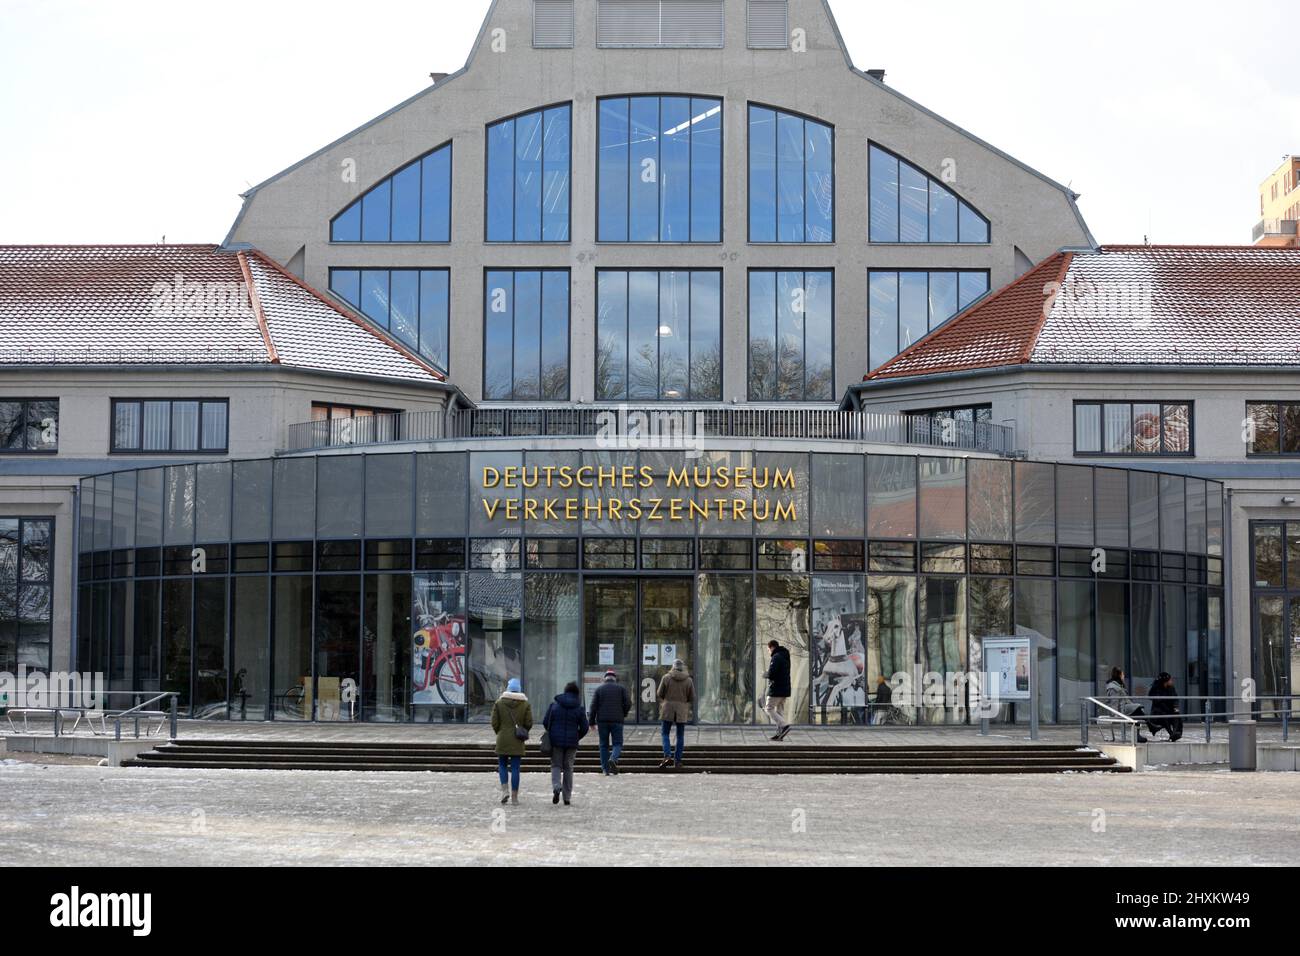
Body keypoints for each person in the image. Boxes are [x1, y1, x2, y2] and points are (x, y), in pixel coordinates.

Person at [543, 681, 589, 806]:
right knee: (568, 768)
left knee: (556, 765)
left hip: (556, 741)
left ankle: (557, 786)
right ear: (576, 693)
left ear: (565, 691)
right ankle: (567, 797)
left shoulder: (554, 705)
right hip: (572, 743)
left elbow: (545, 721)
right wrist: (577, 736)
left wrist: (553, 733)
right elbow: (585, 727)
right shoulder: (579, 708)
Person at [490, 677, 532, 806]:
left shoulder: (499, 703)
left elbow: (494, 722)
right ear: (519, 690)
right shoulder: (525, 704)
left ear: (508, 689)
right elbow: (529, 723)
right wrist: (522, 730)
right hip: (517, 740)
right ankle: (514, 796)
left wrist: (500, 732)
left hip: (502, 738)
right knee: (515, 768)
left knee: (502, 765)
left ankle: (504, 791)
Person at [588, 669, 631, 775]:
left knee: (603, 745)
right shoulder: (621, 688)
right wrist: (623, 713)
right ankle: (613, 758)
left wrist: (591, 722)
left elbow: (593, 707)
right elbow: (628, 703)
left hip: (602, 721)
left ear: (605, 679)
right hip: (617, 720)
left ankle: (605, 769)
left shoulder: (599, 689)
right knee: (618, 743)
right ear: (614, 679)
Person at [657, 659, 696, 769]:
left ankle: (667, 755)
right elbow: (692, 697)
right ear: (682, 667)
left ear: (673, 667)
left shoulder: (666, 677)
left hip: (667, 708)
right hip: (682, 709)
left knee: (665, 733)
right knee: (680, 736)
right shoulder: (688, 680)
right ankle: (677, 761)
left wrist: (667, 699)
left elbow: (660, 693)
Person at [1103, 666, 1148, 743]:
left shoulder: (1118, 685)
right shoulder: (1113, 687)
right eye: (1123, 674)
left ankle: (1141, 733)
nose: (1124, 676)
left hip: (1123, 708)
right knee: (1138, 710)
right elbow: (1114, 702)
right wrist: (1116, 714)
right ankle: (1150, 726)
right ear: (1119, 675)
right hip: (1119, 711)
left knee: (1138, 711)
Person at [764, 640, 792, 741]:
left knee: (768, 708)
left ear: (772, 647)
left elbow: (772, 674)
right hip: (785, 689)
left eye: (768, 649)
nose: (768, 652)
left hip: (777, 689)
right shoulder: (785, 656)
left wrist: (766, 674)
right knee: (779, 712)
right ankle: (779, 735)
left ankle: (784, 725)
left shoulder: (776, 657)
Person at [1147, 672, 1183, 741]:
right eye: (1170, 680)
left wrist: (1175, 707)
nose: (1171, 681)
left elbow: (1175, 698)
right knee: (1164, 716)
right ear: (1165, 681)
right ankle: (1171, 733)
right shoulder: (1156, 688)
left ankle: (1175, 733)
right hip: (1158, 713)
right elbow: (1155, 700)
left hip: (1169, 710)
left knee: (1176, 715)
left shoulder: (1171, 688)